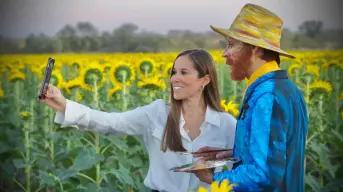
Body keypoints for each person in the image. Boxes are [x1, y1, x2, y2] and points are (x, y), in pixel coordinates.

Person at [38, 49, 237, 192]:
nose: (174, 79)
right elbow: (110, 122)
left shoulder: (229, 124)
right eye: (173, 72)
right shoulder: (157, 113)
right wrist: (65, 105)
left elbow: (250, 170)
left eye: (184, 72)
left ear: (205, 80)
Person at [190, 3, 309, 192]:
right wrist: (231, 154)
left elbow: (264, 175)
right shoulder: (287, 89)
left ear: (255, 48)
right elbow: (278, 153)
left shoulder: (267, 97)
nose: (224, 54)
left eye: (231, 45)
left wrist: (214, 177)